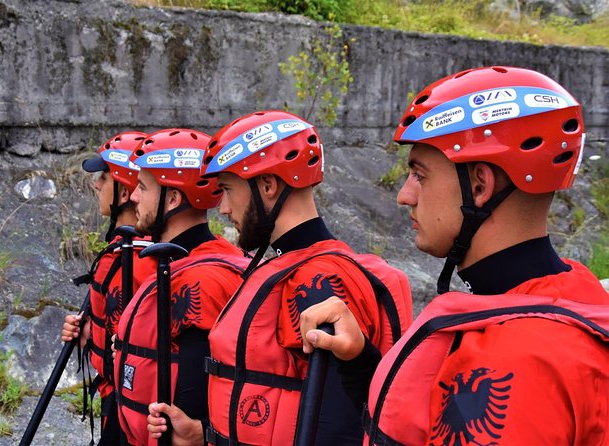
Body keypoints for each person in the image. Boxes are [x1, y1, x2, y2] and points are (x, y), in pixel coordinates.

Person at [299, 66, 609, 445]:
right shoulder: (566, 297)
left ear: (479, 186)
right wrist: (360, 359)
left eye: (420, 175)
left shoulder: (521, 360)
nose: (404, 195)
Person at [147, 110, 413, 445]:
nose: (224, 208)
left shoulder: (319, 277)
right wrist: (202, 435)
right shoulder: (291, 265)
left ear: (268, 185)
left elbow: (337, 430)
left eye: (228, 190)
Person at [112, 128, 249, 446]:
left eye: (143, 188)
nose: (133, 197)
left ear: (172, 198)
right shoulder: (183, 262)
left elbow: (189, 412)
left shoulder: (202, 279)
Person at [60, 131, 157, 445]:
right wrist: (90, 335)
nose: (96, 184)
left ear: (126, 190)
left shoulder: (141, 260)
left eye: (104, 177)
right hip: (113, 399)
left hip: (130, 408)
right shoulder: (116, 255)